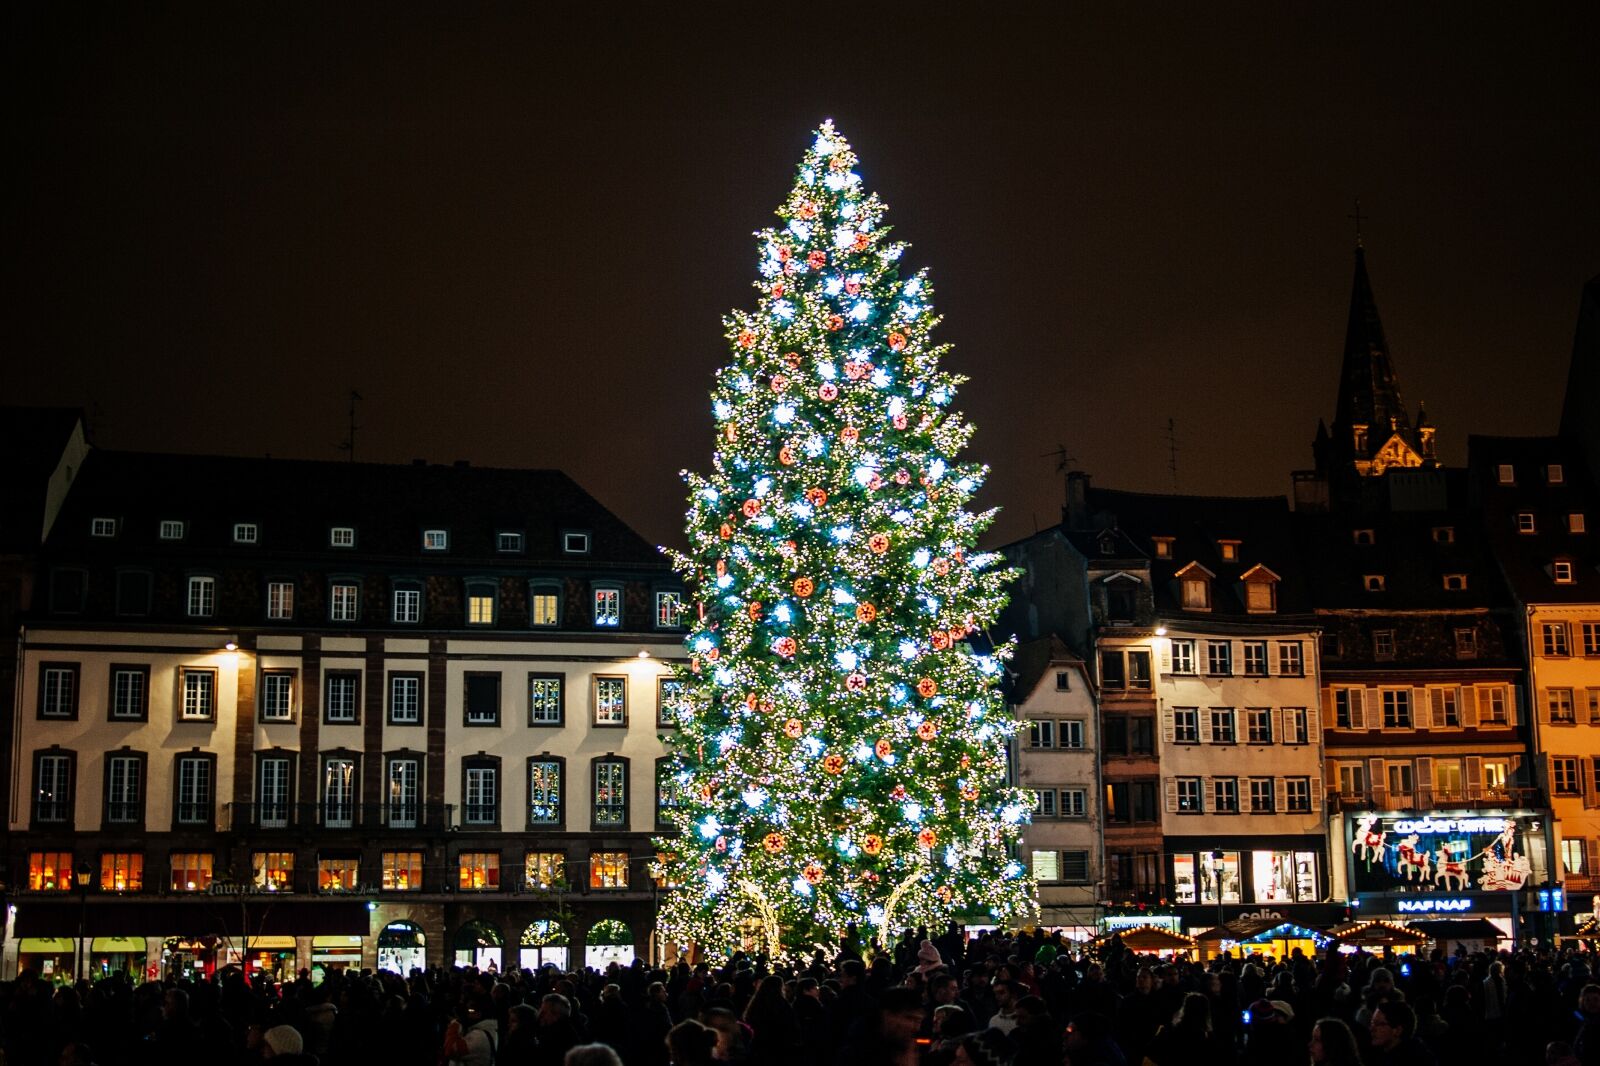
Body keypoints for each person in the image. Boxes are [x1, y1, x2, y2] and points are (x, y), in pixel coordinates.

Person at [443, 989, 499, 1066]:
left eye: (470, 1010)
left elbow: (450, 1050)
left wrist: (455, 1023)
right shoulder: (482, 1030)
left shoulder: (480, 1037)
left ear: (479, 1013)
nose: (467, 1013)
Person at [1367, 1001, 1434, 1066]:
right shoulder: (1381, 1054)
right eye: (1372, 1023)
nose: (1371, 1029)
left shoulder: (1414, 1060)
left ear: (1398, 1030)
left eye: (1378, 1024)